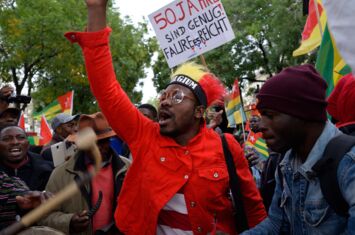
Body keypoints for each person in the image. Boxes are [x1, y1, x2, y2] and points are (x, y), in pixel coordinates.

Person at [64, 1, 267, 234]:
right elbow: (106, 88)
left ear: (199, 112)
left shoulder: (226, 146)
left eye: (177, 96)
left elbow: (253, 209)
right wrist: (96, 9)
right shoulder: (144, 135)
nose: (166, 101)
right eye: (164, 95)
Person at [241, 64, 355, 234]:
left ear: (303, 114)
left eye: (270, 115)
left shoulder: (348, 164)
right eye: (261, 115)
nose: (261, 125)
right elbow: (276, 226)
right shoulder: (286, 163)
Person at [39, 112, 130, 235]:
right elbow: (45, 216)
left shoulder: (128, 167)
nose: (101, 148)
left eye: (104, 141)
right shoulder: (61, 174)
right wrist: (69, 221)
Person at [0, 125, 52, 191]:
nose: (15, 142)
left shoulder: (49, 171)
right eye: (6, 139)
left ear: (28, 144)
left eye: (20, 138)